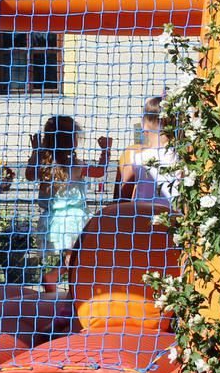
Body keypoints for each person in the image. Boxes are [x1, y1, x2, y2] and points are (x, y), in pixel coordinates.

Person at [25, 115, 112, 289]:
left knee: (73, 257)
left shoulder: (45, 165)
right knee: (76, 257)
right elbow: (100, 171)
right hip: (74, 219)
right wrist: (106, 150)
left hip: (54, 220)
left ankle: (54, 278)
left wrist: (36, 151)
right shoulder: (76, 165)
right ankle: (59, 280)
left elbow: (29, 175)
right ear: (72, 140)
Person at [117, 95, 178, 202]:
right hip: (172, 212)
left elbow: (123, 197)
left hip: (143, 212)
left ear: (144, 126)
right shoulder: (181, 157)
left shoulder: (137, 157)